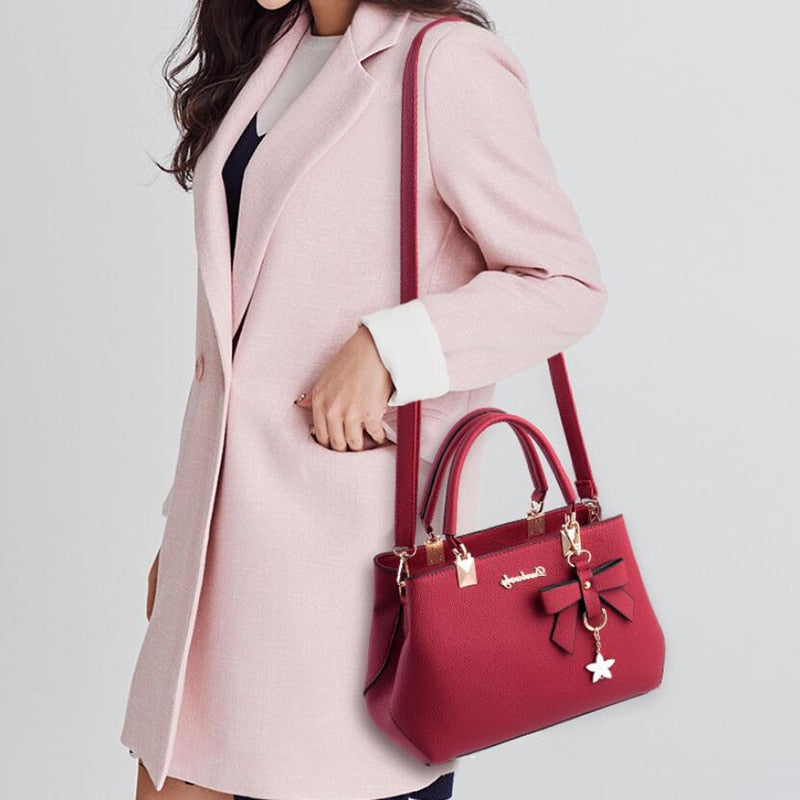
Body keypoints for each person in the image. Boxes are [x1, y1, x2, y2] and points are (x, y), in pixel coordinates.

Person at [120, 1, 608, 798]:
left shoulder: (444, 62)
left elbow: (565, 284)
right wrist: (186, 536)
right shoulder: (270, 55)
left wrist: (391, 347)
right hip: (221, 555)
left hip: (344, 572)